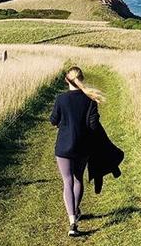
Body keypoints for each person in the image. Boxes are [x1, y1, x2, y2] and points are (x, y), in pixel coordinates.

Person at [50, 66, 105, 237]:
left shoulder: (61, 99)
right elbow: (94, 126)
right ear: (82, 78)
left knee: (67, 181)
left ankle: (72, 220)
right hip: (83, 147)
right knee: (78, 179)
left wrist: (62, 123)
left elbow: (53, 120)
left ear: (67, 80)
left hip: (64, 147)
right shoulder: (90, 100)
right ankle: (76, 212)